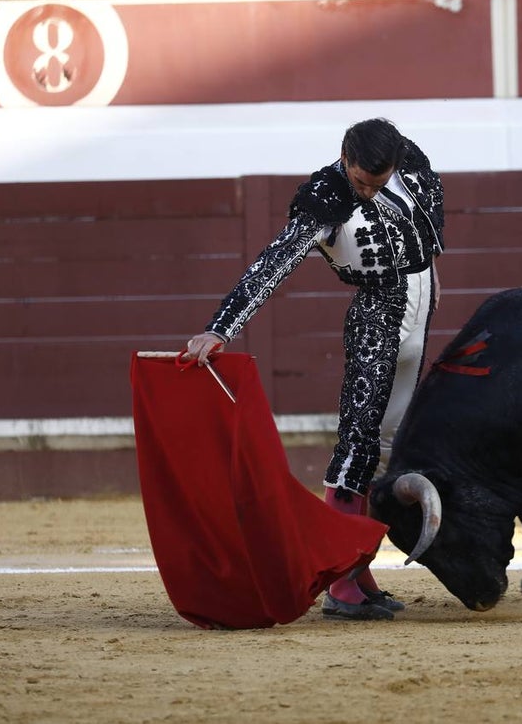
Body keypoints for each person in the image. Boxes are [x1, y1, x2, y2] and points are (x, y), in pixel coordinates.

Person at [183, 118, 445, 621]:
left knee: (394, 440)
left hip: (420, 301)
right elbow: (275, 262)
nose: (367, 191)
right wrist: (221, 327)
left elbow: (427, 219)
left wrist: (432, 273)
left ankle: (359, 568)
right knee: (359, 442)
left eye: (377, 181)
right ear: (344, 156)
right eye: (360, 182)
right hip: (377, 310)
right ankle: (340, 580)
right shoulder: (325, 198)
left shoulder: (406, 158)